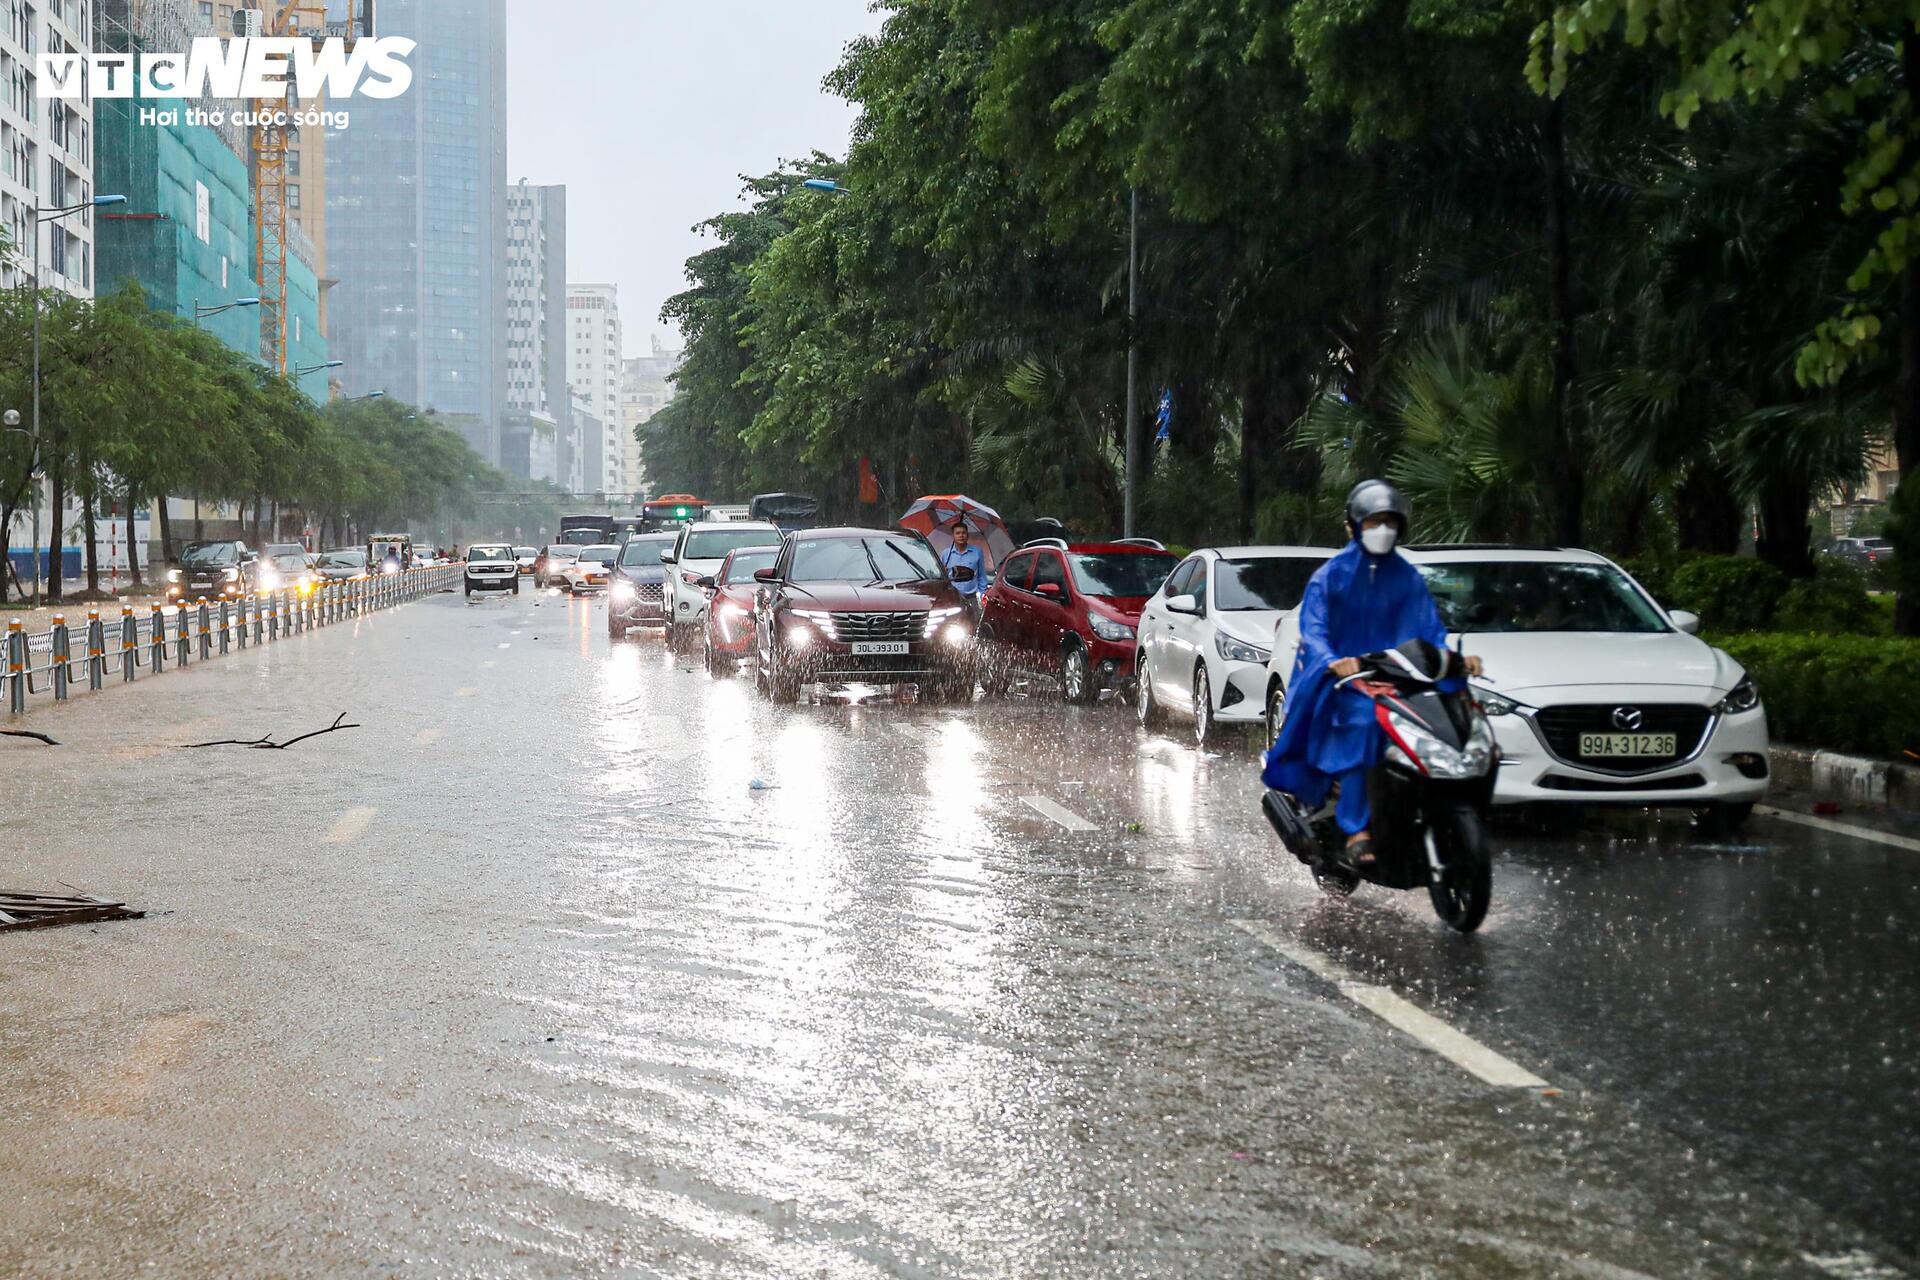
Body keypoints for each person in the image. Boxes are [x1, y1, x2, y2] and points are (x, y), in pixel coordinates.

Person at [1261, 480, 1481, 868]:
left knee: (1450, 716)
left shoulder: (1408, 578)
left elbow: (1430, 630)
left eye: (1390, 523)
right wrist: (1333, 659)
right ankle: (1356, 826)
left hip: (1399, 680)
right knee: (1369, 724)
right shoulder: (1329, 577)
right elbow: (1314, 629)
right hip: (1340, 683)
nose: (1383, 530)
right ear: (1353, 525)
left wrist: (1452, 659)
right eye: (1374, 522)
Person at [941, 520, 987, 618]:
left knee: (973, 625)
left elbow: (982, 575)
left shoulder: (977, 552)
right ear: (953, 536)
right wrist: (943, 572)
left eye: (963, 533)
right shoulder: (946, 554)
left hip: (972, 597)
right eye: (957, 533)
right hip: (952, 599)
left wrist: (981, 594)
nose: (961, 535)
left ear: (967, 535)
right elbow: (941, 578)